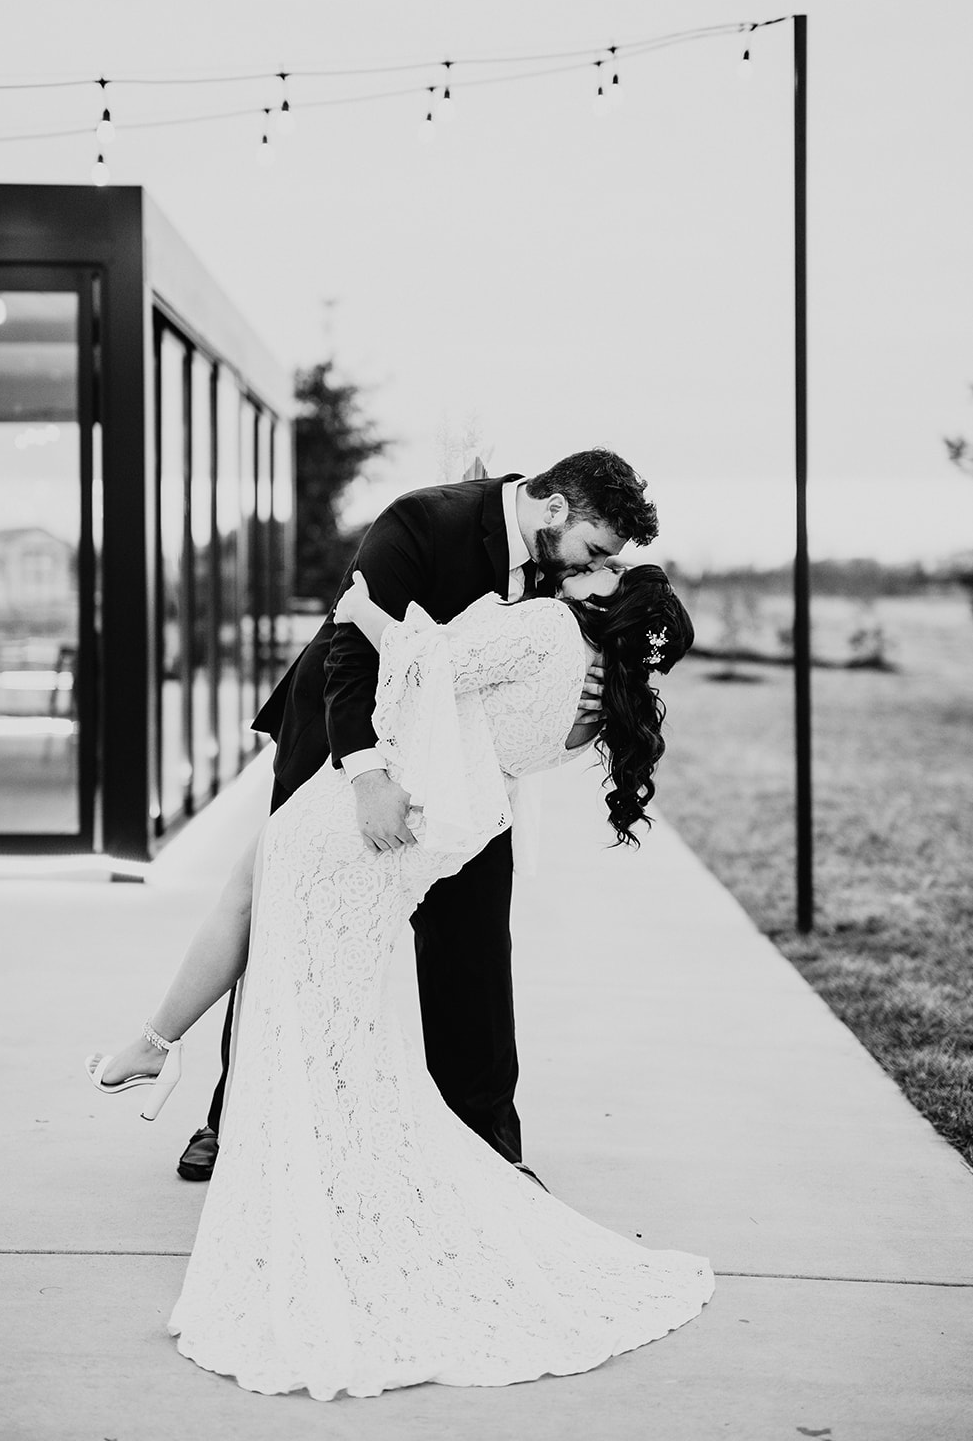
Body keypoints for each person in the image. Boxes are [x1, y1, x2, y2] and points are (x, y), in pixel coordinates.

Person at [86, 561, 714, 1399]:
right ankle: (165, 1046)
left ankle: (205, 1081)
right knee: (317, 980)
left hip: (375, 814)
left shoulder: (548, 630)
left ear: (602, 603)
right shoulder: (596, 716)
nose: (576, 575)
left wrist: (365, 611)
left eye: (596, 572)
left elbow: (430, 665)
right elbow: (485, 732)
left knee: (302, 987)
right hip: (427, 844)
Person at [174, 450, 659, 1184]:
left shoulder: (558, 572)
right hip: (341, 734)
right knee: (292, 920)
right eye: (595, 550)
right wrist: (365, 773)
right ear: (555, 509)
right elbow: (349, 649)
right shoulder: (423, 519)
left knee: (472, 944)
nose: (595, 568)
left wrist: (593, 691)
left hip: (463, 772)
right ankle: (234, 1112)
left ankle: (486, 1145)